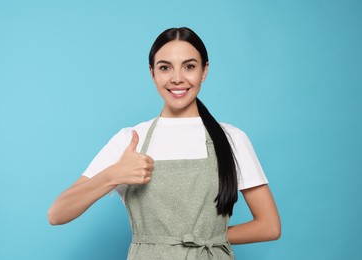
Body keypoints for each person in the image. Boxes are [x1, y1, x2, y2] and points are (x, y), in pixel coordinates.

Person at [48, 27, 281, 259]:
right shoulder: (130, 140)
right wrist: (113, 175)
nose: (177, 78)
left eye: (189, 66)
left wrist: (209, 238)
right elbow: (57, 214)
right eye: (165, 67)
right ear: (152, 73)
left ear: (204, 71)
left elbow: (269, 226)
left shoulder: (231, 138)